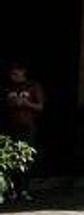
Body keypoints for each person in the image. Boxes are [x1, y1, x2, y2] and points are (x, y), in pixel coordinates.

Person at [2, 62, 44, 202]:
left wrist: (26, 103)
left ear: (23, 72)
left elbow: (40, 106)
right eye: (11, 74)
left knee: (26, 159)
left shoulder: (32, 86)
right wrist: (11, 103)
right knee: (10, 159)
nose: (13, 76)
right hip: (10, 126)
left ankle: (24, 189)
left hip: (27, 126)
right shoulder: (8, 87)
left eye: (16, 73)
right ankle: (10, 190)